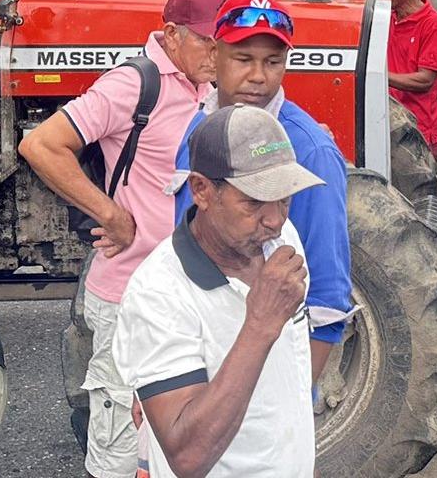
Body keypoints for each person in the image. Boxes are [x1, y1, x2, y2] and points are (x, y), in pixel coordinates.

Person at [16, 0, 226, 478]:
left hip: (188, 296)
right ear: (171, 34)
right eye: (206, 41)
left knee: (183, 446)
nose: (216, 54)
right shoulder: (133, 84)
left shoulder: (204, 87)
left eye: (222, 43)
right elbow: (40, 145)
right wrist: (111, 215)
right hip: (130, 296)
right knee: (121, 452)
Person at [114, 105, 319, 478]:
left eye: (284, 197)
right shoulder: (158, 293)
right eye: (253, 201)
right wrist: (260, 324)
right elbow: (187, 457)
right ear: (202, 191)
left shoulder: (280, 240)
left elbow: (287, 382)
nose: (275, 219)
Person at [172, 0, 353, 382]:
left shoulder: (310, 152)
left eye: (273, 62)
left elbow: (327, 299)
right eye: (243, 59)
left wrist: (294, 397)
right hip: (195, 349)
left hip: (269, 368)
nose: (258, 76)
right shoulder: (199, 128)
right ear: (214, 54)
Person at [377, 0, 437, 155]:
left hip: (416, 132)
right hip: (385, 124)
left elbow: (425, 80)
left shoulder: (434, 27)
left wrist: (377, 77)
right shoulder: (386, 16)